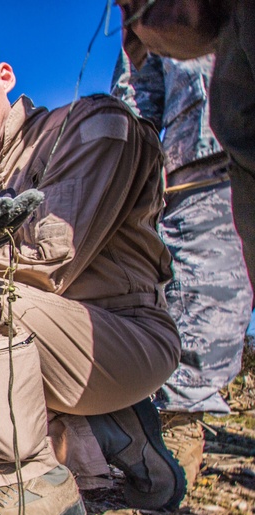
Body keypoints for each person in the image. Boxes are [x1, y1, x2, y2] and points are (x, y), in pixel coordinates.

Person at [0, 39, 185, 515]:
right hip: (24, 346)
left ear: (4, 77)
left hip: (119, 337)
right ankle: (106, 435)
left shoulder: (90, 126)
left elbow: (53, 260)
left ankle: (31, 485)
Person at [113, 51, 252, 488]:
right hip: (207, 163)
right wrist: (127, 171)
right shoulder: (159, 16)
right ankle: (179, 425)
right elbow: (136, 92)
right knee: (198, 299)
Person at [118, 0, 255, 292]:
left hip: (222, 163)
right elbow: (137, 92)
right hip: (200, 181)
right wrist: (137, 166)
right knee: (198, 315)